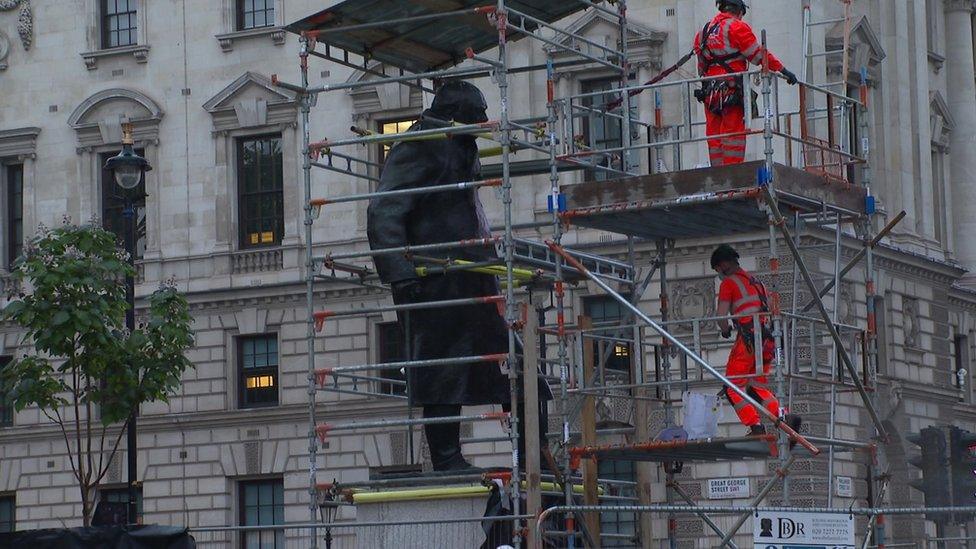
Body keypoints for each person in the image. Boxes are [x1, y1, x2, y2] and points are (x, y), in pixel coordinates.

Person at [367, 80, 549, 472]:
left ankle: (536, 456)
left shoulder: (458, 144)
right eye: (476, 114)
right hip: (433, 279)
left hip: (471, 274)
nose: (484, 122)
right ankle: (447, 459)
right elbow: (384, 210)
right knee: (440, 370)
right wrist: (400, 273)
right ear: (456, 114)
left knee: (517, 364)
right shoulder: (420, 144)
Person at [694, 0, 798, 166]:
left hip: (709, 94)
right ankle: (733, 176)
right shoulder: (737, 27)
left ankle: (718, 179)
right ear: (739, 11)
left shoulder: (703, 32)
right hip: (731, 92)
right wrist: (783, 70)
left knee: (714, 137)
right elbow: (758, 56)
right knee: (733, 136)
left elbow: (701, 67)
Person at [712, 244, 800, 436]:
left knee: (732, 386)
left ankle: (755, 426)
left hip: (748, 342)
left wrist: (725, 330)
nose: (719, 273)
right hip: (766, 341)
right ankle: (784, 416)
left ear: (724, 264)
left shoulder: (729, 283)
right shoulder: (757, 282)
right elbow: (768, 309)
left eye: (717, 269)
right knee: (755, 387)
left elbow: (720, 317)